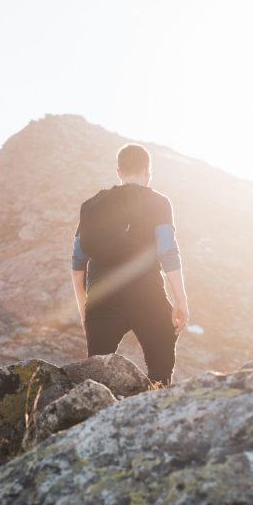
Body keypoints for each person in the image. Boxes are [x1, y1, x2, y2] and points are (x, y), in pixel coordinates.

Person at [70, 144, 189, 384]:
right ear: (148, 171)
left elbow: (77, 263)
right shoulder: (158, 202)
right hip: (145, 292)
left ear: (118, 171)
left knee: (98, 375)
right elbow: (167, 250)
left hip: (101, 296)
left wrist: (85, 311)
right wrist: (181, 300)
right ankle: (155, 406)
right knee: (161, 366)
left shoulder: (91, 206)